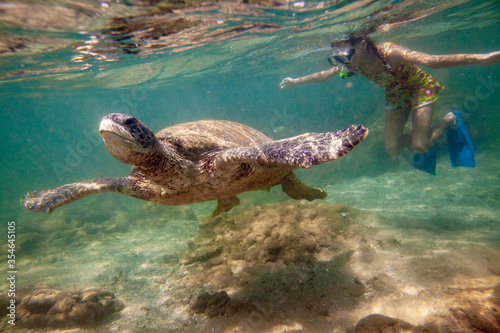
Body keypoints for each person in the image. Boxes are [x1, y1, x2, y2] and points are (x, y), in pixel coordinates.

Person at [280, 33, 500, 174]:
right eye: (337, 57)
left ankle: (449, 120)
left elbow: (433, 61)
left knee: (420, 145)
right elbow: (324, 75)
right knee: (392, 147)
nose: (342, 62)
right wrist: (296, 81)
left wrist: (483, 58)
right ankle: (433, 130)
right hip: (396, 95)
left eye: (344, 55)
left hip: (420, 88)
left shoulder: (390, 52)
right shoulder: (351, 66)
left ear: (363, 44)